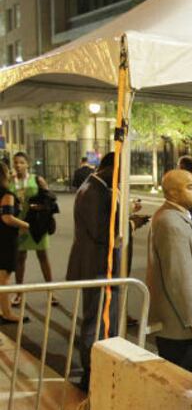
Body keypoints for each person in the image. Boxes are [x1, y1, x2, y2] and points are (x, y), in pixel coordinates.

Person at [147, 169, 192, 373]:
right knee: (181, 379)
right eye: (190, 187)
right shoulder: (171, 222)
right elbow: (178, 276)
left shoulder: (179, 216)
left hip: (181, 322)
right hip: (179, 324)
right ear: (172, 193)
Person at [66, 152, 122, 390]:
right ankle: (90, 372)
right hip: (96, 264)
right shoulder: (94, 192)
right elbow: (101, 232)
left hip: (94, 263)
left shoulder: (94, 188)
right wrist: (129, 223)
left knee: (96, 317)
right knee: (95, 319)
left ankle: (94, 368)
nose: (120, 180)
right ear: (109, 168)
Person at [9, 152, 57, 305]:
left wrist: (41, 206)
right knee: (19, 258)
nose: (18, 165)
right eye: (15, 162)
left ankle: (51, 293)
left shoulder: (37, 179)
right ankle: (19, 293)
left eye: (21, 162)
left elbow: (50, 200)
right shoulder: (10, 181)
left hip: (37, 225)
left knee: (42, 256)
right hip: (18, 224)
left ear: (27, 164)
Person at [0, 161, 28, 323]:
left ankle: (4, 308)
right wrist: (26, 225)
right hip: (6, 239)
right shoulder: (7, 194)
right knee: (4, 277)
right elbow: (7, 218)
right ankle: (7, 313)